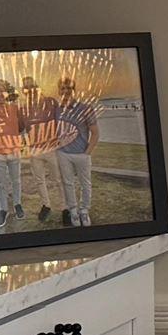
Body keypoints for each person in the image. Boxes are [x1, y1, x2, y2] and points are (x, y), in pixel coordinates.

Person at [51, 76, 97, 226]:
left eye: (69, 88)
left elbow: (95, 133)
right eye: (63, 88)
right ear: (59, 90)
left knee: (85, 184)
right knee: (68, 183)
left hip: (82, 153)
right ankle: (73, 211)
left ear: (74, 90)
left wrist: (87, 153)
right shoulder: (57, 110)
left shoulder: (85, 108)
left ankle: (84, 210)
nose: (66, 91)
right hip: (63, 153)